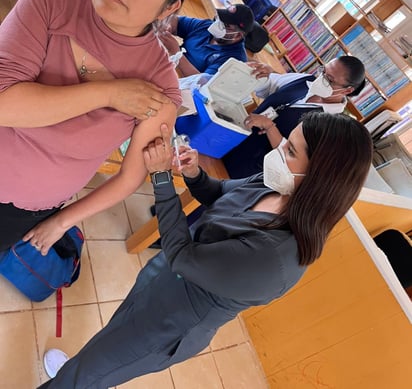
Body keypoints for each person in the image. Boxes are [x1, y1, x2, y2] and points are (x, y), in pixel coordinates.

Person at [38, 112, 373, 388]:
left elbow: (185, 256)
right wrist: (194, 174)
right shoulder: (277, 185)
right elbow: (221, 193)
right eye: (286, 141)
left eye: (291, 151)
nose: (278, 151)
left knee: (90, 374)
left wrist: (161, 179)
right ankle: (83, 368)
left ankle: (77, 376)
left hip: (169, 324)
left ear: (319, 179)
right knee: (104, 349)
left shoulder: (277, 258)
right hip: (161, 284)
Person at [0, 0, 198, 255]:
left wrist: (61, 222)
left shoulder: (160, 88)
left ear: (170, 7)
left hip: (20, 209)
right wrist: (109, 93)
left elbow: (129, 177)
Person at [223, 55, 366, 178]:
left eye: (329, 79)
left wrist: (270, 127)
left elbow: (296, 161)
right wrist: (262, 75)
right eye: (323, 71)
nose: (320, 79)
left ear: (347, 90)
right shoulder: (306, 80)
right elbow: (270, 85)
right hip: (231, 137)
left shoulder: (330, 125)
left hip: (246, 167)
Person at [156, 3, 257, 76]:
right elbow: (176, 20)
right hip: (166, 65)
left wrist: (176, 53)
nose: (217, 25)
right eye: (219, 19)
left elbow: (201, 83)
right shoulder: (206, 26)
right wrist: (168, 25)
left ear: (238, 35)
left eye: (226, 25)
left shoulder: (234, 60)